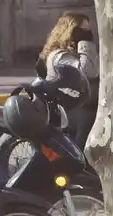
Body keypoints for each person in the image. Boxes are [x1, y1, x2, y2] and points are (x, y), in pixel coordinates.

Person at [38, 12, 98, 146]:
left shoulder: (75, 53)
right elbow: (88, 71)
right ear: (69, 31)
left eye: (89, 30)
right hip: (68, 109)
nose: (87, 33)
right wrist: (86, 43)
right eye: (82, 30)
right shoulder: (59, 55)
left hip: (79, 104)